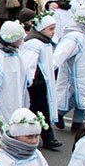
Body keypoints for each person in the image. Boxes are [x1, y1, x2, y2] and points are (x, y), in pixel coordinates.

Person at [20, 11, 64, 149]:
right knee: (40, 108)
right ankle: (46, 136)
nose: (53, 32)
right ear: (41, 29)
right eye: (50, 29)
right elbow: (28, 63)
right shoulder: (34, 43)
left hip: (42, 82)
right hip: (36, 84)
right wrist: (30, 79)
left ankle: (43, 135)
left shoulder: (44, 42)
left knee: (40, 108)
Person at [54, 5, 85, 131]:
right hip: (78, 72)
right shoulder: (75, 36)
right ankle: (59, 114)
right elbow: (62, 52)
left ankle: (77, 122)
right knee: (77, 96)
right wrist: (52, 65)